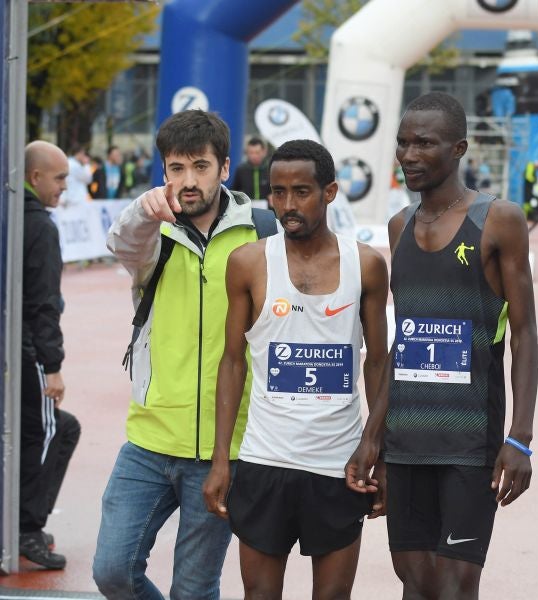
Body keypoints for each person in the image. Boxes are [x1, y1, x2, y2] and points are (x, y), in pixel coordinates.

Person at [360, 91, 538, 599]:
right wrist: (374, 436)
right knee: (414, 579)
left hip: (469, 440)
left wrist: (520, 436)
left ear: (459, 148)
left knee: (455, 585)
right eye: (403, 143)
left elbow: (525, 332)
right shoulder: (398, 227)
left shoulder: (498, 219)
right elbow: (405, 343)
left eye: (424, 143)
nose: (409, 155)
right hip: (406, 439)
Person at [93, 110, 269, 600]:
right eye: (176, 168)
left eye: (200, 166)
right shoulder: (154, 233)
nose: (188, 180)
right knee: (112, 571)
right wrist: (143, 210)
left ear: (224, 168)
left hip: (226, 447)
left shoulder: (262, 233)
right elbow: (121, 242)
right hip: (149, 439)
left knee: (193, 590)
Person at [202, 139, 389, 598]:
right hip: (265, 460)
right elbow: (232, 362)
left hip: (339, 465)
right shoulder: (247, 263)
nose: (288, 205)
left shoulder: (366, 265)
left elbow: (379, 363)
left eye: (301, 192)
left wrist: (378, 448)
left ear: (330, 192)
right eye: (278, 192)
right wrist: (222, 459)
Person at [20, 140, 72, 570]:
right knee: (50, 431)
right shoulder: (39, 226)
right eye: (59, 178)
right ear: (35, 177)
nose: (65, 187)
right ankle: (26, 528)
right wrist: (52, 366)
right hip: (27, 353)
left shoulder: (13, 215)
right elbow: (43, 304)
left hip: (15, 348)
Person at [231, 136, 270, 201]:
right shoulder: (241, 170)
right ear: (247, 153)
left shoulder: (270, 169)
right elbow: (234, 191)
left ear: (264, 152)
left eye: (257, 152)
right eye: (251, 153)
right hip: (247, 205)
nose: (254, 156)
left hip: (267, 205)